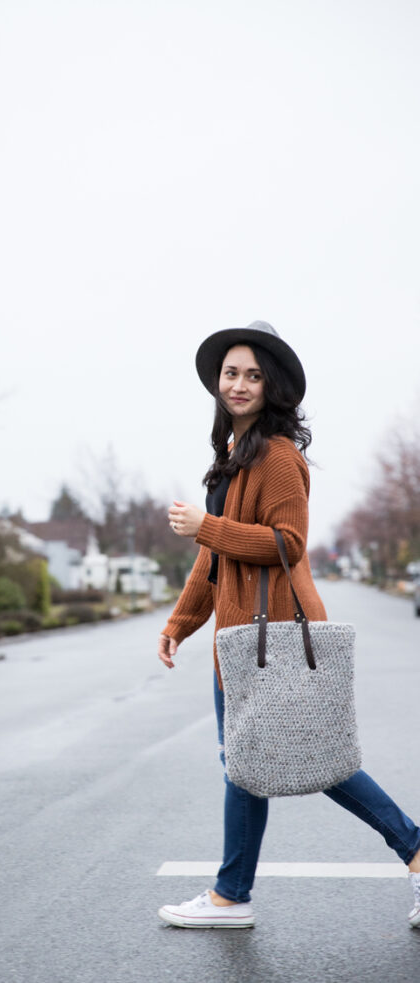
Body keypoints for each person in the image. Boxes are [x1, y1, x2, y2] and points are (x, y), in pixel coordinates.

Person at [156, 321, 420, 930]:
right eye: (231, 373)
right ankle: (232, 895)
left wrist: (205, 526)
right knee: (247, 762)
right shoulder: (231, 458)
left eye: (253, 375)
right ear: (217, 382)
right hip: (240, 642)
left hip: (275, 636)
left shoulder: (277, 456)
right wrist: (181, 622)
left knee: (312, 758)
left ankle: (412, 851)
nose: (240, 384)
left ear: (271, 387)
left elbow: (288, 544)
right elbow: (214, 559)